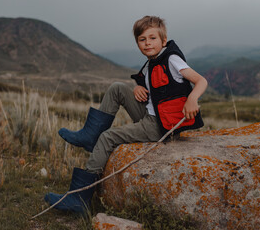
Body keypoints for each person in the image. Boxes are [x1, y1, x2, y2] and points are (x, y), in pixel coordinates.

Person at [44, 15, 208, 213]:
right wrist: (137, 87)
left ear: (164, 41)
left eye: (152, 38)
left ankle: (79, 199)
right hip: (150, 114)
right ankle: (89, 135)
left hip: (160, 125)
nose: (147, 43)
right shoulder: (151, 63)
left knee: (108, 137)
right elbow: (157, 88)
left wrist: (192, 99)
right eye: (142, 39)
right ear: (137, 43)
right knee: (117, 88)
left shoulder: (172, 59)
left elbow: (201, 81)